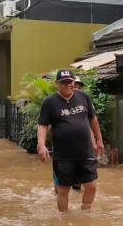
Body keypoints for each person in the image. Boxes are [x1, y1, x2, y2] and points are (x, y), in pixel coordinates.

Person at [37, 69, 104, 212]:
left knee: (91, 186)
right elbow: (42, 125)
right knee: (63, 190)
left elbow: (93, 119)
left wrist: (99, 139)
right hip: (63, 155)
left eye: (71, 81)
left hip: (85, 152)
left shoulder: (84, 97)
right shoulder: (49, 102)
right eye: (64, 82)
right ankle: (64, 219)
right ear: (56, 84)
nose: (69, 84)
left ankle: (85, 212)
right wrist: (41, 145)